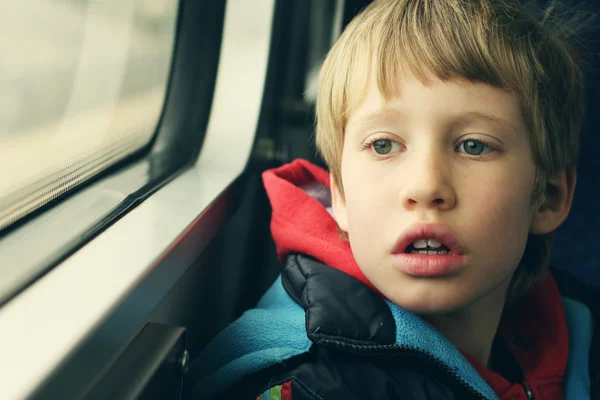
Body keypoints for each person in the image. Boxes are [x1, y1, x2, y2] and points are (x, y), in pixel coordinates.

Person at [186, 0, 599, 398]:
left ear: (547, 197)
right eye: (383, 144)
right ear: (340, 197)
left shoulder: (573, 334)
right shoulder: (315, 384)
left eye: (473, 146)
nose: (425, 186)